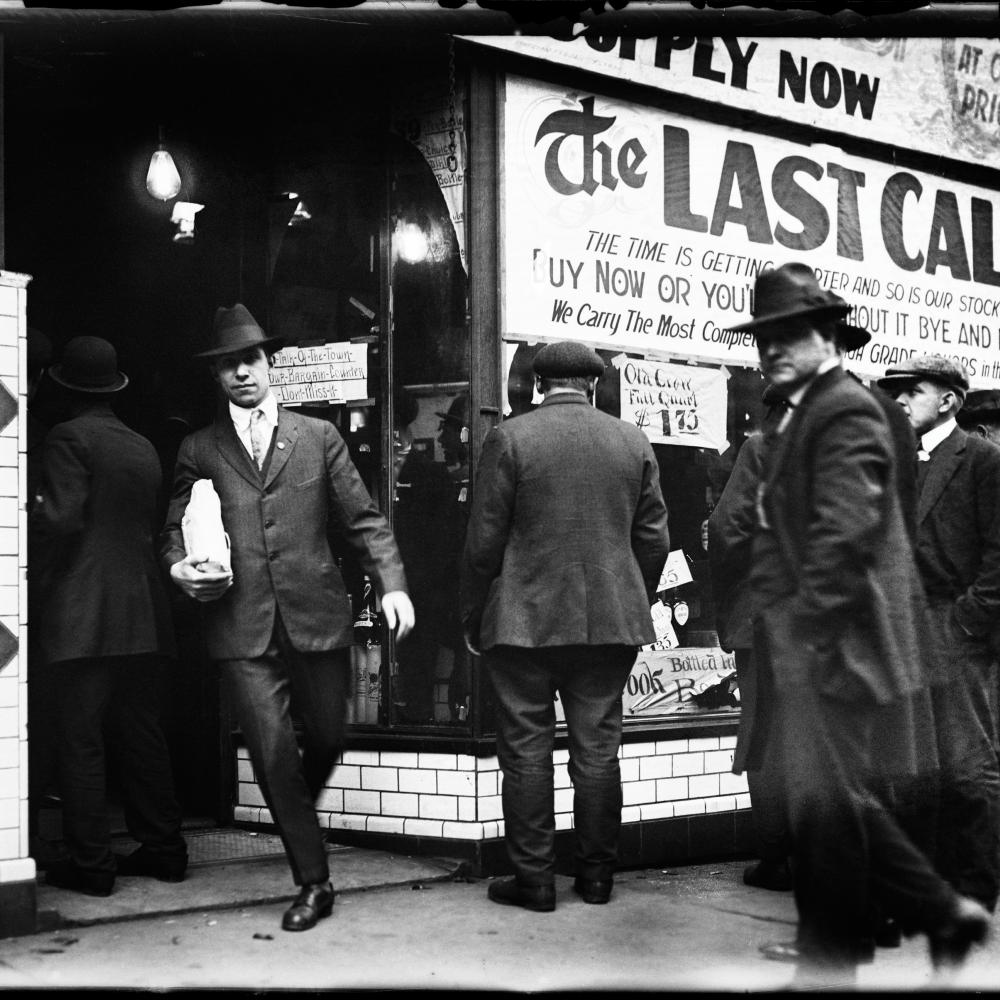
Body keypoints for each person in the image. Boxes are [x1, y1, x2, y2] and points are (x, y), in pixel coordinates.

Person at [736, 263, 989, 982]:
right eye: (763, 339)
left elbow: (843, 534)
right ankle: (921, 923)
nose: (773, 351)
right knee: (833, 797)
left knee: (830, 796)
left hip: (840, 639)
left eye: (790, 336)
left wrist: (804, 628)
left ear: (827, 337)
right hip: (835, 635)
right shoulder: (810, 408)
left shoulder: (843, 409)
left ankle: (857, 952)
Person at [160, 304, 414, 932]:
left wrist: (392, 585)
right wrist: (177, 568)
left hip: (316, 615)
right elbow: (172, 530)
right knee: (273, 753)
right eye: (227, 365)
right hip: (239, 624)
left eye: (249, 359)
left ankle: (293, 807)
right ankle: (314, 880)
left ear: (268, 362)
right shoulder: (199, 447)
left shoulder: (318, 436)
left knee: (327, 737)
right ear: (217, 376)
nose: (240, 372)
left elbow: (363, 520)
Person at [460, 340, 670, 912]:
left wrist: (473, 612)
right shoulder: (632, 440)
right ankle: (598, 878)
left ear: (536, 385)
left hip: (523, 621)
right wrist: (630, 596)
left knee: (526, 751)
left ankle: (534, 881)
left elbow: (484, 541)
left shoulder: (510, 437)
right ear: (595, 386)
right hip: (610, 621)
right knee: (598, 750)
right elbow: (654, 538)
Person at [31, 336, 185, 896]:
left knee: (81, 738)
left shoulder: (66, 437)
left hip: (82, 615)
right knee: (142, 732)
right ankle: (166, 849)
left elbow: (66, 520)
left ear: (64, 387)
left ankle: (92, 865)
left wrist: (35, 529)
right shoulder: (142, 444)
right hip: (144, 612)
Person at [877, 355, 1000, 915]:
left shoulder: (981, 461)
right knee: (909, 767)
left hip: (955, 632)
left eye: (912, 391)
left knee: (968, 766)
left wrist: (965, 623)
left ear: (949, 400)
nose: (899, 401)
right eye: (894, 392)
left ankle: (974, 888)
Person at [708, 385, 792, 894]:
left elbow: (725, 528)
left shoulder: (763, 448)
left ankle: (779, 859)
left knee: (765, 735)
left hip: (769, 619)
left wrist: (729, 601)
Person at [391, 388, 459, 724]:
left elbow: (442, 547)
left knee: (416, 676)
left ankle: (417, 724)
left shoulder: (431, 477)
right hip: (371, 595)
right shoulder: (362, 472)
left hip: (420, 599)